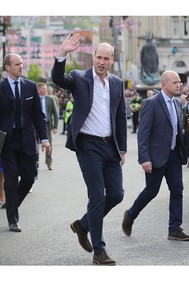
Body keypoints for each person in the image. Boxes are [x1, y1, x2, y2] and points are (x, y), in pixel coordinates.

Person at [51, 33, 127, 266]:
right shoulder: (80, 78)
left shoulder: (116, 83)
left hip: (110, 146)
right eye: (98, 57)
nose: (102, 62)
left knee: (116, 194)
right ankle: (99, 251)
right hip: (88, 146)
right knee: (96, 196)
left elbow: (120, 117)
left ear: (111, 60)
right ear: (93, 57)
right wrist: (62, 54)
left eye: (106, 58)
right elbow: (58, 79)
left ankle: (82, 225)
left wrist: (122, 148)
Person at [122, 70, 189, 241]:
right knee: (151, 191)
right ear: (164, 84)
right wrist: (144, 158)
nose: (179, 85)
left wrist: (188, 128)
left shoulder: (177, 103)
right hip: (156, 157)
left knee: (177, 190)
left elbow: (175, 130)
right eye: (175, 82)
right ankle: (130, 215)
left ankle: (175, 229)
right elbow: (143, 133)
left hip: (174, 154)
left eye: (179, 82)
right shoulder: (151, 103)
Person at [0, 53, 50, 232]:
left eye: (22, 63)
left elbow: (38, 115)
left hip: (27, 140)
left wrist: (44, 139)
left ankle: (12, 204)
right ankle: (13, 218)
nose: (21, 67)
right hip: (8, 142)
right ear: (8, 68)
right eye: (17, 64)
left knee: (29, 178)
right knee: (11, 181)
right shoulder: (1, 88)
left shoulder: (30, 87)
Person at [37, 82, 59, 171]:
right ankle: (35, 163)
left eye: (46, 89)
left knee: (48, 144)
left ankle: (49, 162)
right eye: (44, 89)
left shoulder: (50, 99)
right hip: (35, 125)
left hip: (47, 124)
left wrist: (55, 126)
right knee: (34, 144)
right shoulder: (35, 99)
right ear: (38, 90)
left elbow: (56, 113)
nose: (46, 90)